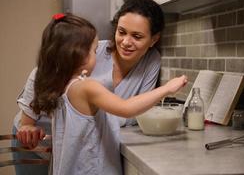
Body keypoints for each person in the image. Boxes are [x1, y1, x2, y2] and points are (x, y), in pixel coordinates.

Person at [16, 13, 186, 175]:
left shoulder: (60, 88)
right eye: (94, 50)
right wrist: (167, 88)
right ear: (79, 54)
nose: (97, 56)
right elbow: (126, 108)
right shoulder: (87, 87)